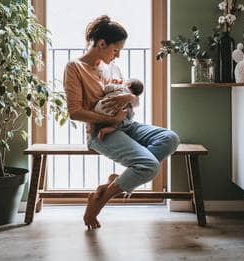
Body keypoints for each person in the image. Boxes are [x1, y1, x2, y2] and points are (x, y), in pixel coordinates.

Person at [63, 15, 180, 230]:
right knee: (148, 166)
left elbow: (131, 99)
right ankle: (100, 200)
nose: (117, 56)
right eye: (115, 50)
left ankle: (113, 184)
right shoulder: (75, 68)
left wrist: (130, 98)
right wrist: (108, 120)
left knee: (170, 138)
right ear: (101, 44)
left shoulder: (112, 68)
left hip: (126, 124)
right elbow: (75, 112)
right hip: (101, 132)